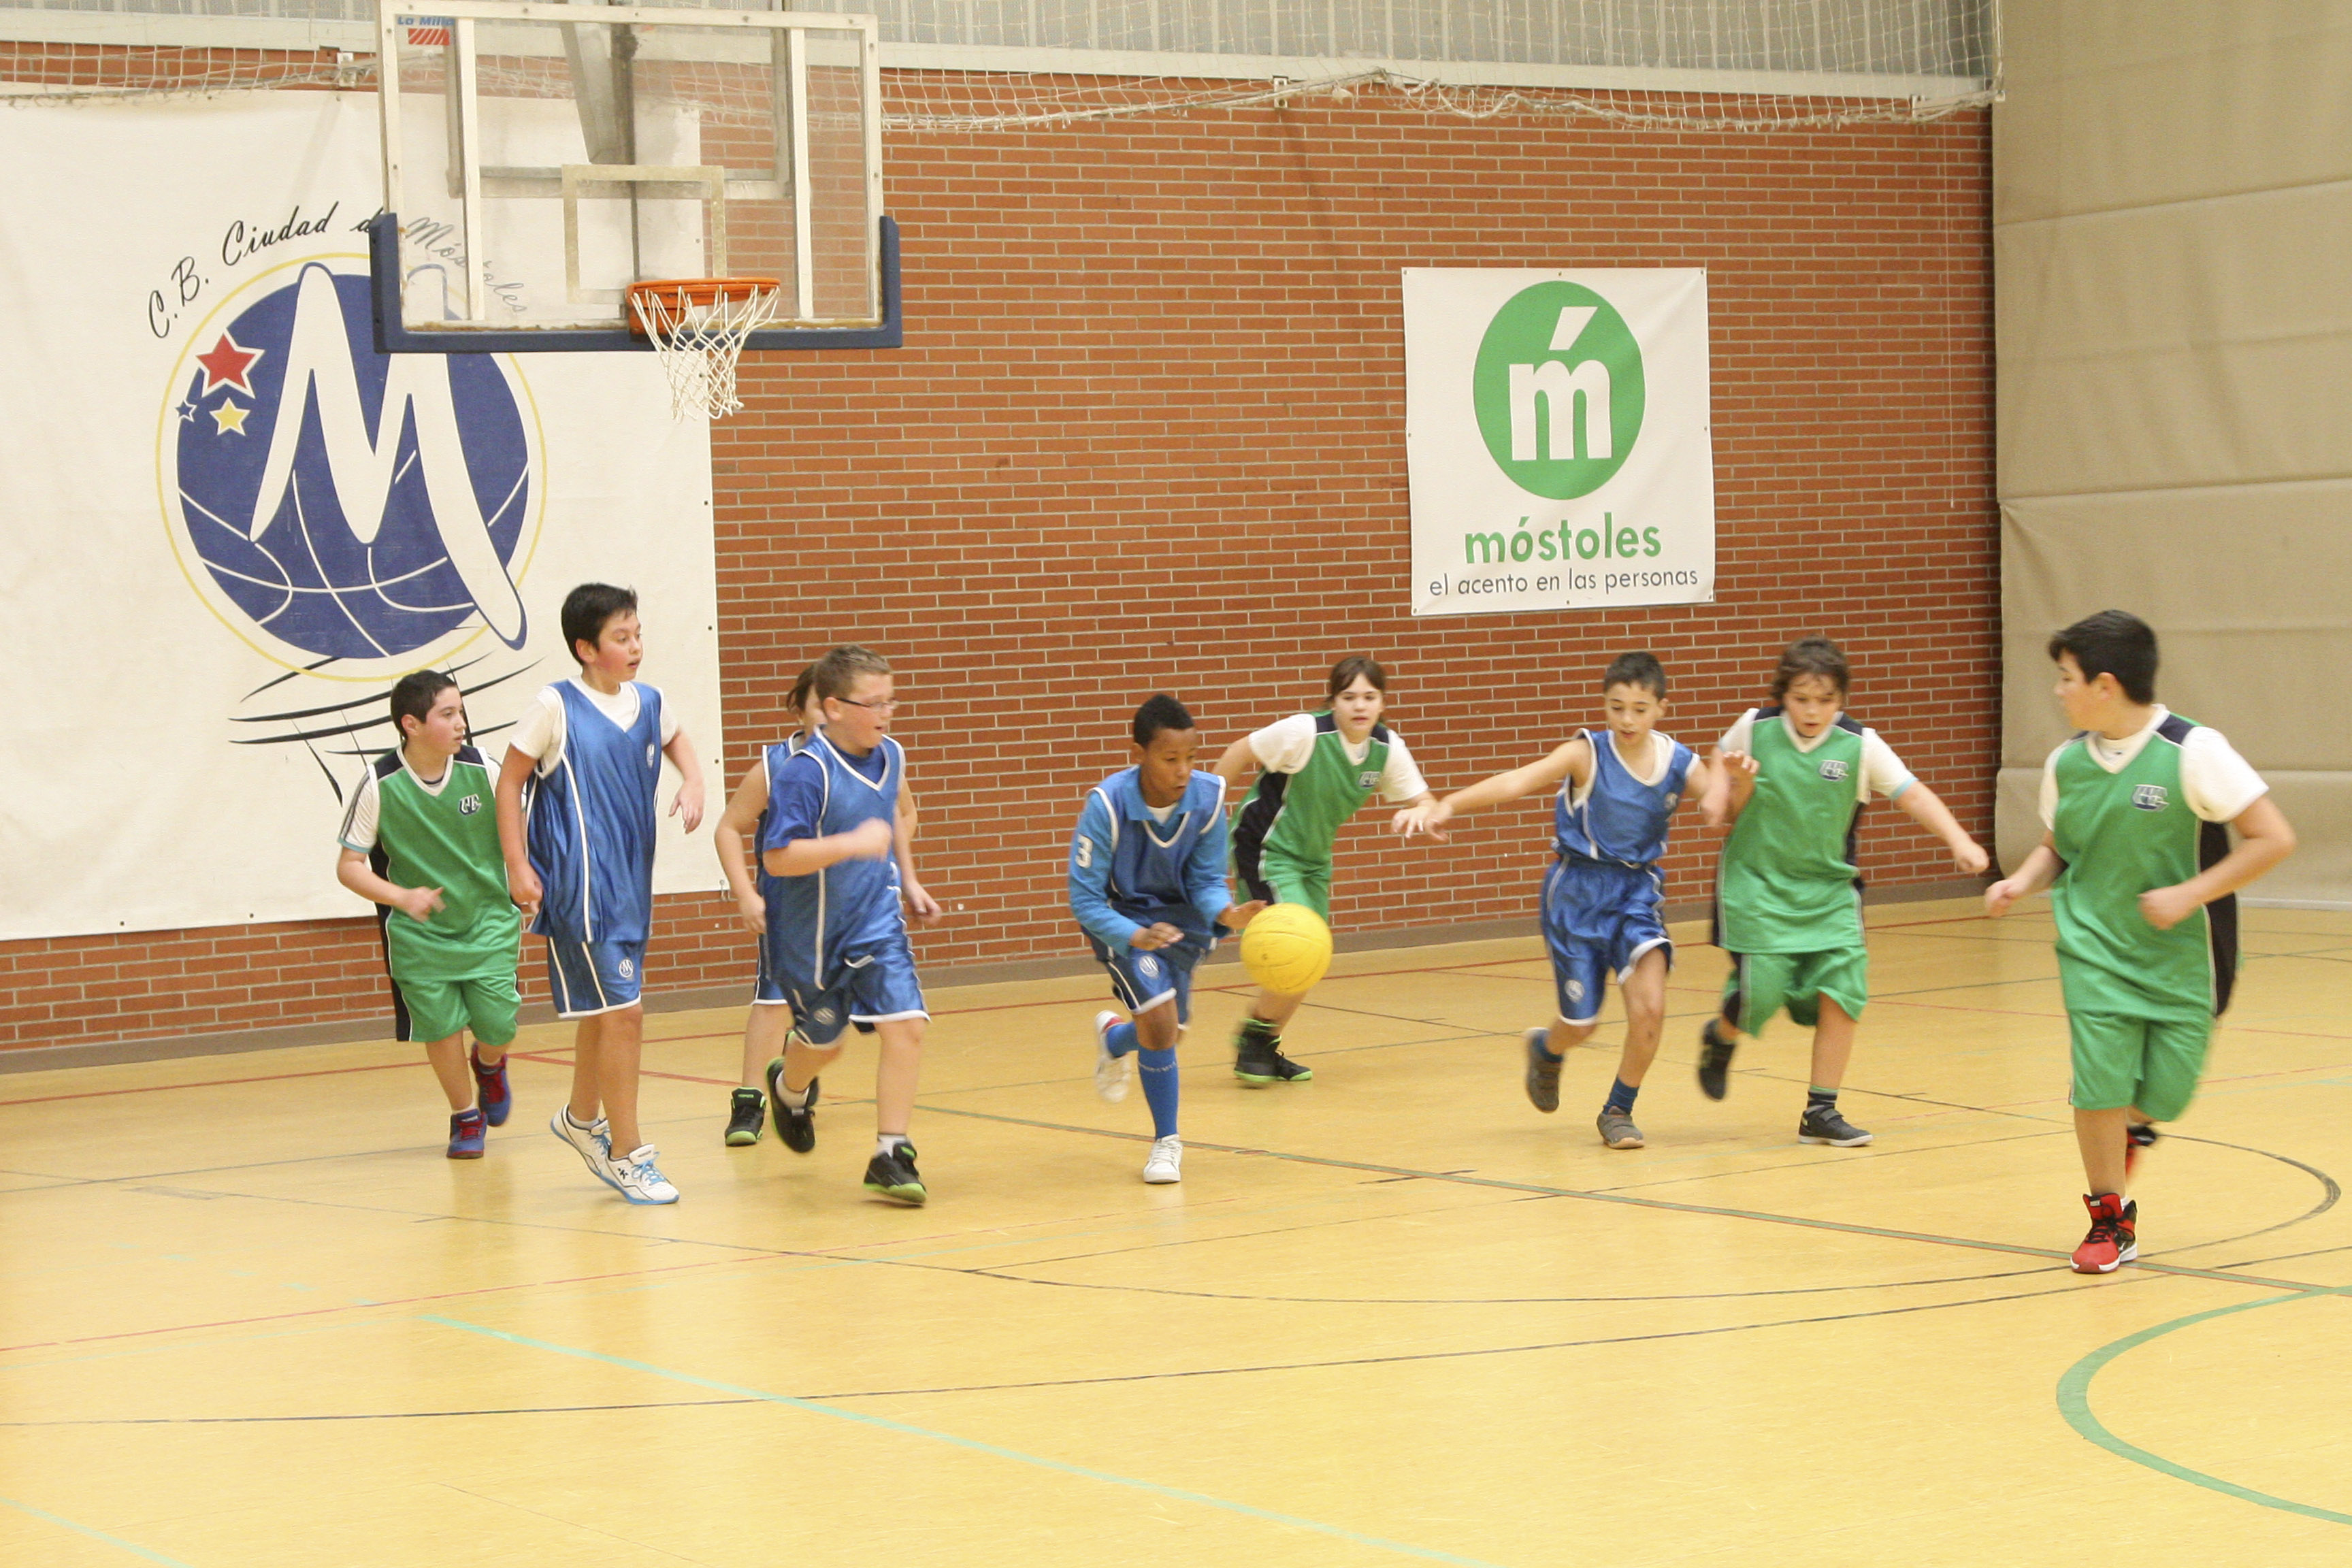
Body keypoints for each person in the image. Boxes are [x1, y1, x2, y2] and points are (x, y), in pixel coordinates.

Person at [1984, 610, 2293, 1273]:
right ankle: (2108, 1219)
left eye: (2066, 679)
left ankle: (2134, 1127)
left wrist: (2191, 893)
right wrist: (2022, 882)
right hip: (2094, 951)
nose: (2059, 691)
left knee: (2167, 1096)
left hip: (2185, 957)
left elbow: (2274, 838)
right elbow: (2057, 848)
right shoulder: (2067, 762)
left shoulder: (2195, 750)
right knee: (2097, 1087)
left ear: (2105, 684)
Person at [1394, 653, 1712, 1149]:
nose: (1627, 720)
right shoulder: (1585, 753)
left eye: (1639, 709)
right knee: (1580, 1026)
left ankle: (1617, 1111)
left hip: (1635, 894)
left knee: (1650, 1009)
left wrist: (1743, 781)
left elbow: (1721, 806)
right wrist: (1447, 804)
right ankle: (1545, 1049)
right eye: (1617, 707)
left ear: (1661, 709)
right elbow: (1516, 781)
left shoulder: (1679, 761)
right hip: (1576, 895)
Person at [1697, 635, 1988, 1147]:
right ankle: (1720, 1039)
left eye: (1826, 700)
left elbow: (1912, 794)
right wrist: (1720, 791)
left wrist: (1959, 839)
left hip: (1829, 892)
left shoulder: (1861, 745)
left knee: (1843, 993)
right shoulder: (1755, 727)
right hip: (1758, 886)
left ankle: (1821, 1109)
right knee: (1757, 999)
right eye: (1802, 698)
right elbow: (1717, 760)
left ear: (1842, 700)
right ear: (1783, 694)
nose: (1813, 711)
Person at [495, 583, 706, 1205]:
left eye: (638, 633)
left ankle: (581, 1118)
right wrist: (517, 866)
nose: (636, 646)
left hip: (630, 885)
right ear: (587, 649)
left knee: (606, 1014)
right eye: (621, 637)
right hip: (579, 888)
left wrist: (692, 780)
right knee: (626, 1015)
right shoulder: (553, 706)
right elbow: (510, 785)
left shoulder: (649, 701)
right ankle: (627, 1153)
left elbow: (678, 742)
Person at [758, 645, 942, 1204]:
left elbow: (889, 820)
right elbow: (777, 858)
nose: (885, 714)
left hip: (874, 921)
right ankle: (789, 1088)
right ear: (834, 708)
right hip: (809, 937)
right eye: (874, 703)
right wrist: (849, 846)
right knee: (825, 1044)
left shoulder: (892, 756)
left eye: (891, 701)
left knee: (907, 1025)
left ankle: (891, 1152)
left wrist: (908, 879)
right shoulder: (804, 773)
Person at [1213, 656, 1436, 1083]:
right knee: (1299, 946)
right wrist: (1201, 815)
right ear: (1333, 701)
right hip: (1265, 847)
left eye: (1370, 697)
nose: (1360, 706)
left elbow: (1424, 800)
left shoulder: (1387, 749)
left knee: (1311, 958)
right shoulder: (1305, 732)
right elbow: (1240, 751)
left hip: (1313, 859)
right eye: (1349, 696)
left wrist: (1422, 815)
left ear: (1382, 702)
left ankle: (1260, 1046)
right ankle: (1254, 1042)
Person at [1070, 695, 1263, 1183]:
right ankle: (1167, 1144)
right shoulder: (1107, 806)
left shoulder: (1207, 799)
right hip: (1124, 919)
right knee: (1160, 1021)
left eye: (1191, 758)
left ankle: (1115, 1039)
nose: (1183, 771)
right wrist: (1135, 935)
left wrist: (1228, 911)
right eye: (1169, 758)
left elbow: (1203, 878)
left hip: (1182, 922)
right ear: (1138, 753)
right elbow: (1086, 901)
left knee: (1168, 1031)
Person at [334, 672, 521, 1158]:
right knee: (439, 1029)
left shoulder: (486, 770)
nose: (462, 723)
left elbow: (524, 833)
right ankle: (465, 1115)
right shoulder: (379, 784)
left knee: (497, 1025)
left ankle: (491, 1064)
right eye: (448, 714)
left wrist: (528, 876)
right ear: (411, 725)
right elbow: (349, 867)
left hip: (488, 920)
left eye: (461, 712)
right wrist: (401, 896)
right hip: (420, 933)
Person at [712, 664, 818, 1146]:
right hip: (788, 908)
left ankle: (792, 1081)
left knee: (828, 1012)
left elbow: (905, 813)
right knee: (773, 1002)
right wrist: (745, 893)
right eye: (820, 703)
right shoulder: (776, 767)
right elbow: (729, 827)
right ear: (800, 709)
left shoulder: (872, 762)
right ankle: (750, 1098)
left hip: (849, 908)